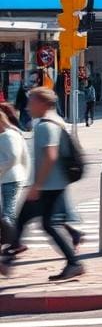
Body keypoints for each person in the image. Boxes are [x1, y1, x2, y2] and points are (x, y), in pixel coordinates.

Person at [0, 88, 83, 280]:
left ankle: (9, 258)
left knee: (40, 223)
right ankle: (9, 257)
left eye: (31, 103)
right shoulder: (55, 121)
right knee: (38, 222)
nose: (28, 107)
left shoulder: (45, 126)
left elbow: (50, 155)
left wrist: (36, 185)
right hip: (53, 184)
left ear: (43, 104)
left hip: (47, 186)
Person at [0, 106, 29, 250]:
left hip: (10, 178)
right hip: (12, 177)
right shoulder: (14, 133)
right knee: (6, 212)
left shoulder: (7, 136)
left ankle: (14, 242)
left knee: (7, 214)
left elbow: (12, 158)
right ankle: (13, 241)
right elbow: (25, 156)